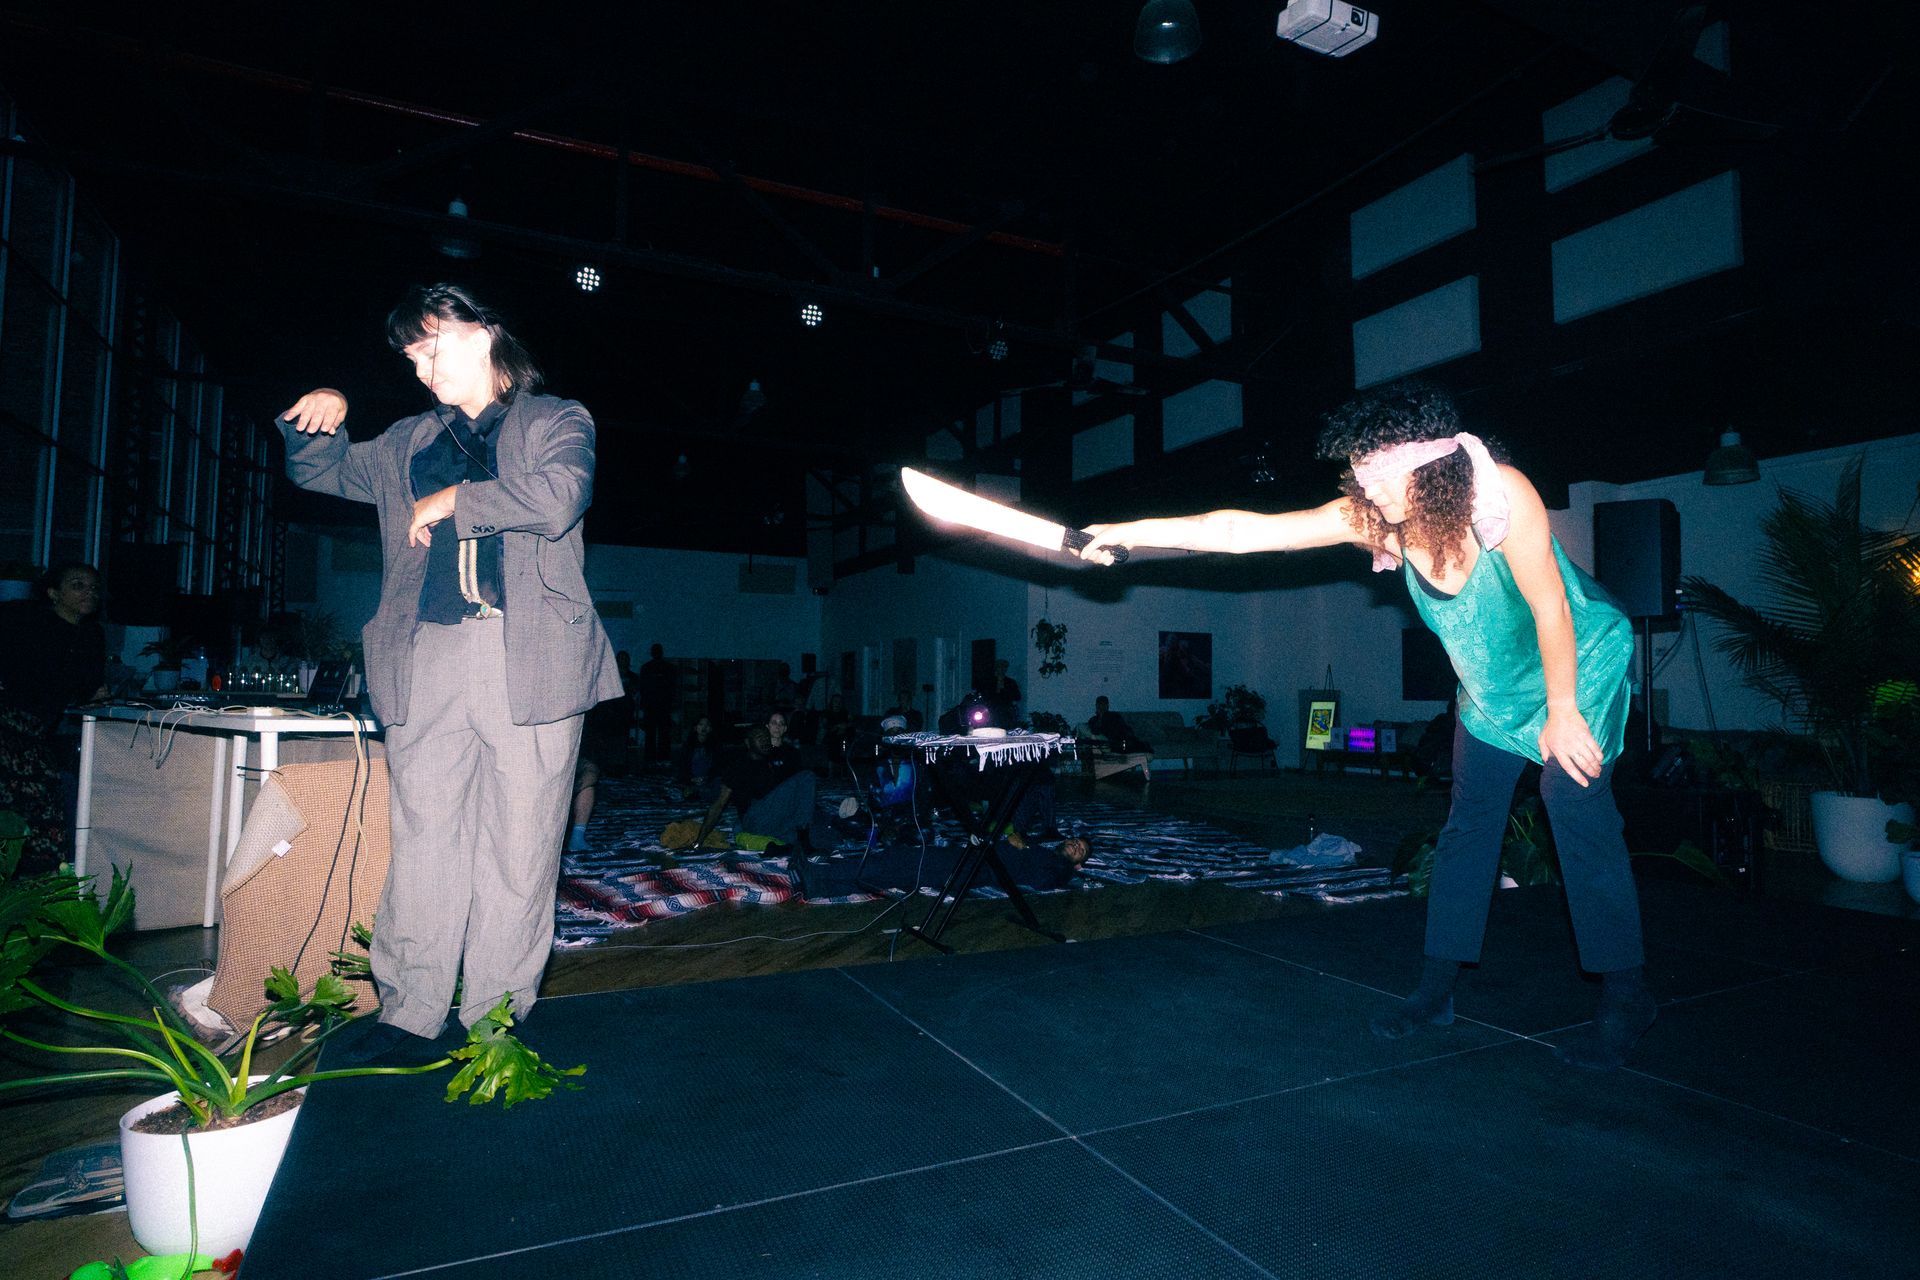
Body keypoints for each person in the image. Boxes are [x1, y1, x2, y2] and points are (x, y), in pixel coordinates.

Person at [1080, 381, 1652, 1071]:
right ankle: (1436, 991)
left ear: (1431, 466)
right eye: (1361, 473)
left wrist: (1562, 712)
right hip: (1494, 692)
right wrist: (1129, 534)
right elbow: (1240, 531)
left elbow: (1551, 606)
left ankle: (1626, 999)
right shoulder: (1379, 521)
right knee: (1468, 826)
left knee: (1572, 801)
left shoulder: (1502, 495)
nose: (1368, 489)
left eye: (1380, 475)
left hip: (1574, 666)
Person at [277, 282, 621, 1057]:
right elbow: (319, 473)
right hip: (426, 655)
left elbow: (559, 496)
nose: (420, 368)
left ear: (483, 332)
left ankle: (494, 1018)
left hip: (527, 658)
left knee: (520, 846)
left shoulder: (556, 420)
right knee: (425, 838)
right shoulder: (405, 440)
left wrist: (454, 502)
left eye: (429, 347)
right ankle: (408, 1012)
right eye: (409, 357)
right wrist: (319, 418)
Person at [0, 562, 108, 875]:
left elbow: (88, 687)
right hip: (9, 726)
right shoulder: (27, 623)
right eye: (78, 585)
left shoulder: (91, 635)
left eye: (93, 587)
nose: (89, 593)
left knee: (40, 812)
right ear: (53, 593)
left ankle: (37, 882)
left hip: (37, 732)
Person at [637, 642, 676, 765]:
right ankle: (654, 758)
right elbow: (643, 689)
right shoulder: (649, 668)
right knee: (653, 733)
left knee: (662, 733)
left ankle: (659, 758)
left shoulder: (664, 668)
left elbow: (672, 688)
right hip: (654, 706)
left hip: (661, 706)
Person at [986, 658, 1022, 727]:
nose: (1002, 669)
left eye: (1004, 667)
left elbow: (1018, 696)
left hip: (1006, 711)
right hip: (992, 711)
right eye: (1000, 667)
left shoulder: (1011, 682)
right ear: (996, 668)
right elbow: (987, 696)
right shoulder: (989, 682)